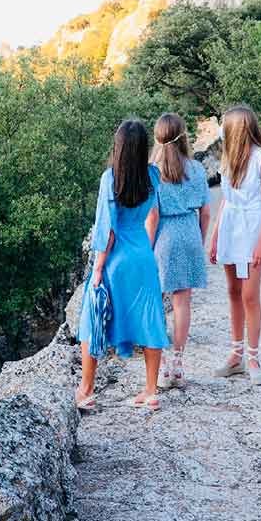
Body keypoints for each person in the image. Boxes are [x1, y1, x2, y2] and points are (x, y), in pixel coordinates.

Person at [76, 119, 170, 411]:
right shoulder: (153, 176)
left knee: (91, 321)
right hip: (142, 256)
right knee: (151, 319)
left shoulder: (110, 178)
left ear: (118, 147)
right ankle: (151, 391)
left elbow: (108, 230)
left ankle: (86, 392)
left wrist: (99, 269)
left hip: (115, 260)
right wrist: (147, 246)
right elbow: (154, 217)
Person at [208, 105, 261, 386]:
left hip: (251, 230)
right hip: (230, 229)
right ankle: (235, 355)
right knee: (234, 291)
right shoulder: (227, 159)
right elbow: (224, 199)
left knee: (250, 294)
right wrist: (214, 236)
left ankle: (253, 357)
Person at [145, 113, 211, 390]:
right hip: (189, 232)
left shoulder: (152, 171)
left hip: (164, 237)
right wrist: (200, 239)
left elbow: (153, 216)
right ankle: (179, 364)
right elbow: (206, 211)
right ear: (184, 136)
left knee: (157, 302)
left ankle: (160, 369)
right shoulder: (195, 168)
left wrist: (146, 249)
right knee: (183, 302)